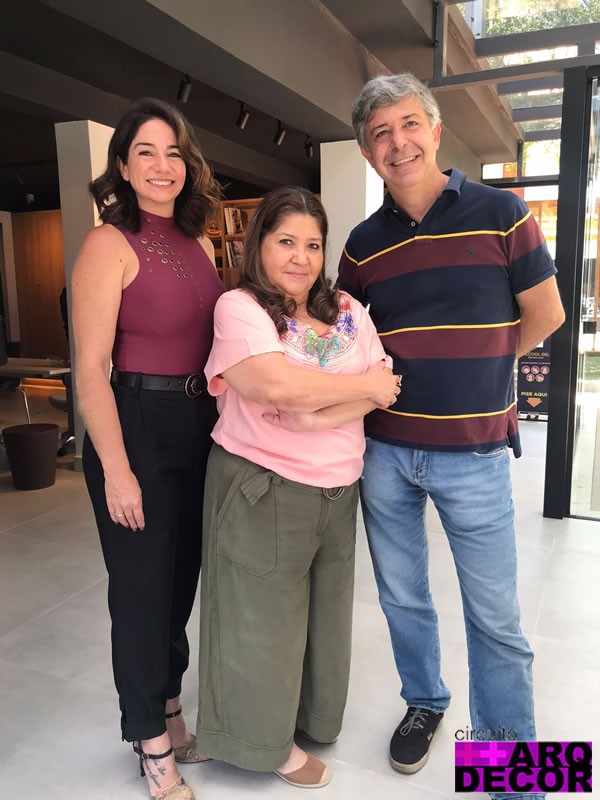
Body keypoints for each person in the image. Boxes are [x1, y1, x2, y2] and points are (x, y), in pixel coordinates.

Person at [338, 73, 565, 799]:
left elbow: (547, 314)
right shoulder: (361, 246)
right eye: (380, 133)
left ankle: (511, 775)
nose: (397, 142)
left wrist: (483, 368)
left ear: (435, 131)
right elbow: (348, 342)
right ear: (367, 152)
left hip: (473, 453)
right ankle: (425, 701)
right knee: (402, 599)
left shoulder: (502, 212)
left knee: (495, 618)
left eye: (409, 124)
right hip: (384, 452)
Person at [195, 186, 400, 788]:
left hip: (339, 489)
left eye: (313, 244)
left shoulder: (347, 308)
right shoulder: (239, 309)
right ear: (258, 243)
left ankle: (312, 719)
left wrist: (315, 417)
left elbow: (386, 383)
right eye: (286, 241)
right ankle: (265, 745)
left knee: (325, 620)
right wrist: (355, 391)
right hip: (264, 486)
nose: (301, 258)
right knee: (262, 622)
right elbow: (276, 387)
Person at [71, 98, 224, 800]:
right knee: (141, 591)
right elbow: (90, 368)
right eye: (146, 152)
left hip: (198, 423)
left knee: (180, 581)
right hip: (135, 423)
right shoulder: (108, 243)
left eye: (174, 153)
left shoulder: (199, 241)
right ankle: (148, 736)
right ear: (124, 167)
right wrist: (116, 470)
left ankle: (168, 703)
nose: (163, 166)